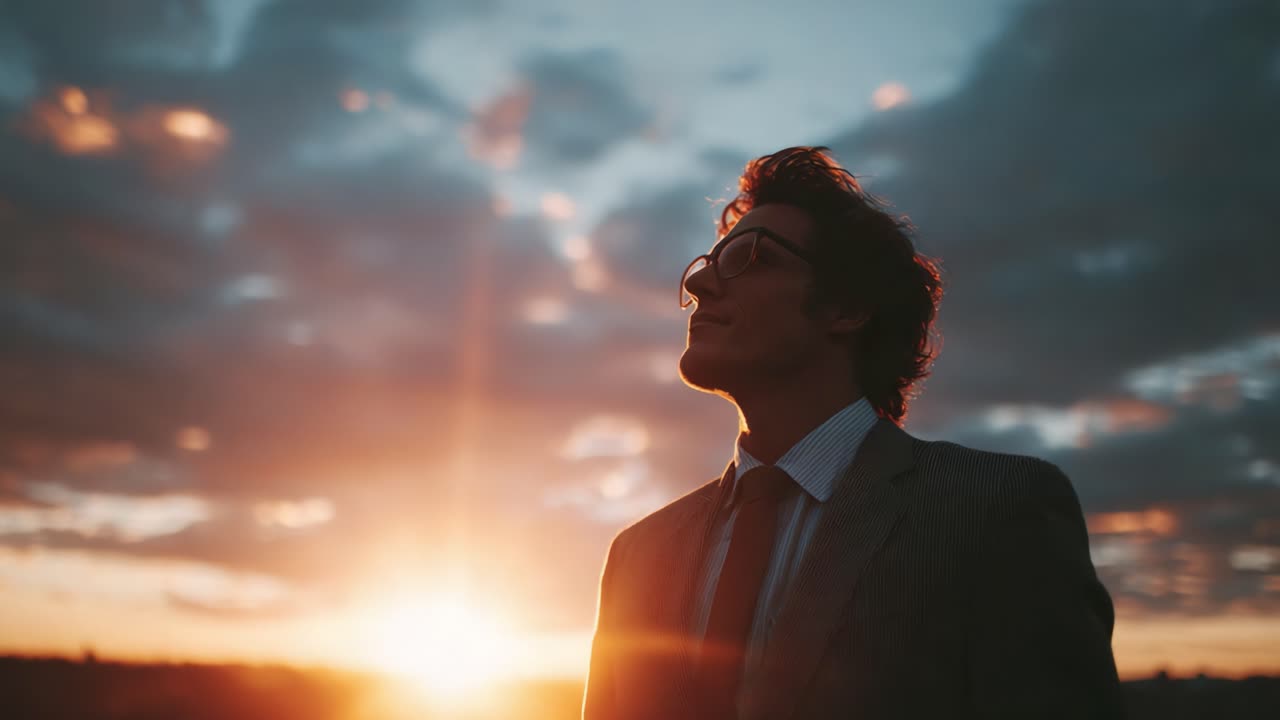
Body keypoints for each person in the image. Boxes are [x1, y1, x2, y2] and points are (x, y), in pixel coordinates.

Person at [581, 147, 1123, 719]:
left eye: (751, 259)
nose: (704, 286)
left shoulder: (995, 509)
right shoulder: (637, 553)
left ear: (847, 308)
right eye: (707, 266)